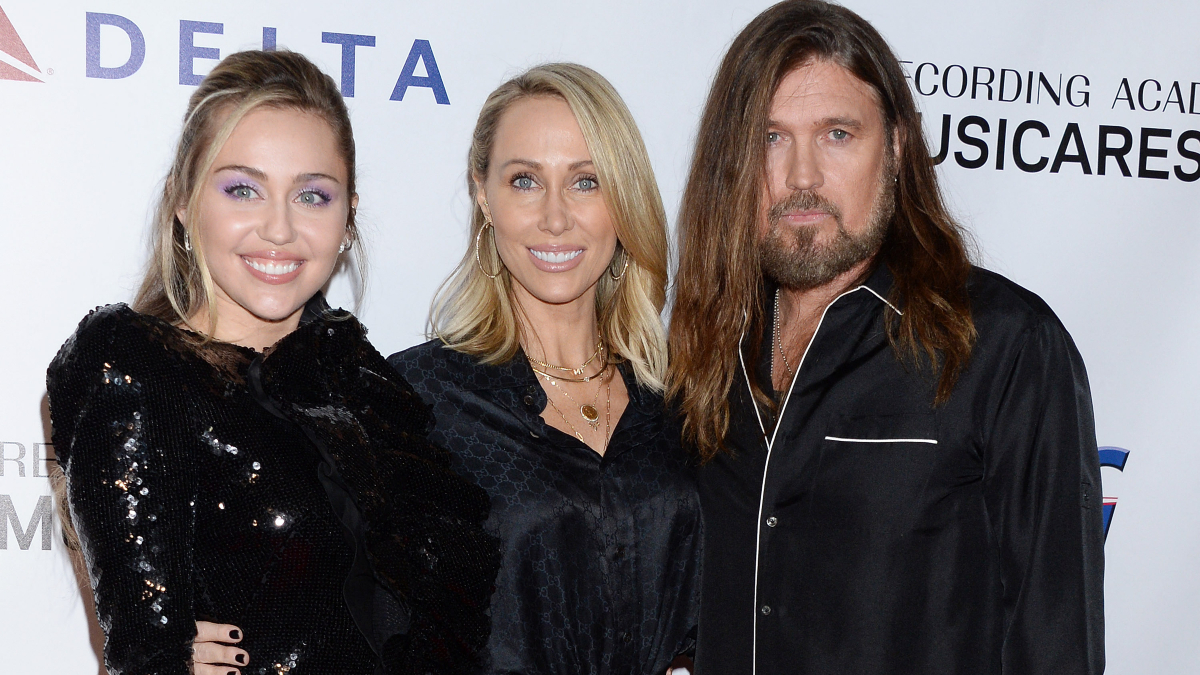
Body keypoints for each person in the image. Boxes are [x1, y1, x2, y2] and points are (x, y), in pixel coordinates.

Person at [667, 2, 1105, 674]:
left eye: (837, 134)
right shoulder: (709, 347)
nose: (802, 176)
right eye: (770, 138)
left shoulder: (1004, 345)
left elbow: (1055, 644)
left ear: (897, 147)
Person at [47, 50, 499, 675]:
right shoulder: (138, 370)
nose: (280, 229)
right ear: (182, 200)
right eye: (243, 190)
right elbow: (146, 646)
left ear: (348, 216)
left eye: (312, 195)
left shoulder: (360, 379)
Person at [388, 63, 701, 675]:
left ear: (623, 201)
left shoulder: (683, 401)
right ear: (484, 196)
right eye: (525, 180)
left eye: (586, 182)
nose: (555, 217)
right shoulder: (418, 400)